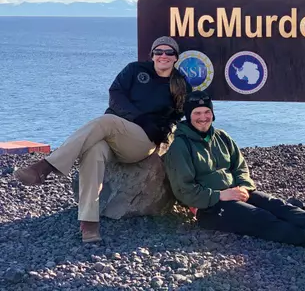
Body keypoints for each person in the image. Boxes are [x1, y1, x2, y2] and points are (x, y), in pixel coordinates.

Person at [14, 36, 191, 243]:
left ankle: (45, 167)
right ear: (151, 55)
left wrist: (163, 133)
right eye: (158, 51)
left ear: (176, 57)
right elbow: (115, 95)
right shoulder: (134, 70)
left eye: (169, 52)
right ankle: (89, 222)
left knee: (105, 121)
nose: (163, 56)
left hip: (143, 142)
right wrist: (138, 117)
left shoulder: (179, 83)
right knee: (94, 151)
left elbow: (179, 116)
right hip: (117, 134)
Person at [163, 91, 305, 246]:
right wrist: (220, 195)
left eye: (207, 112)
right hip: (208, 207)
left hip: (234, 192)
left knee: (275, 204)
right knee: (260, 217)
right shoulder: (180, 146)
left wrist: (243, 187)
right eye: (197, 113)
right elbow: (184, 190)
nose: (203, 117)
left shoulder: (221, 137)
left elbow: (239, 166)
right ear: (188, 116)